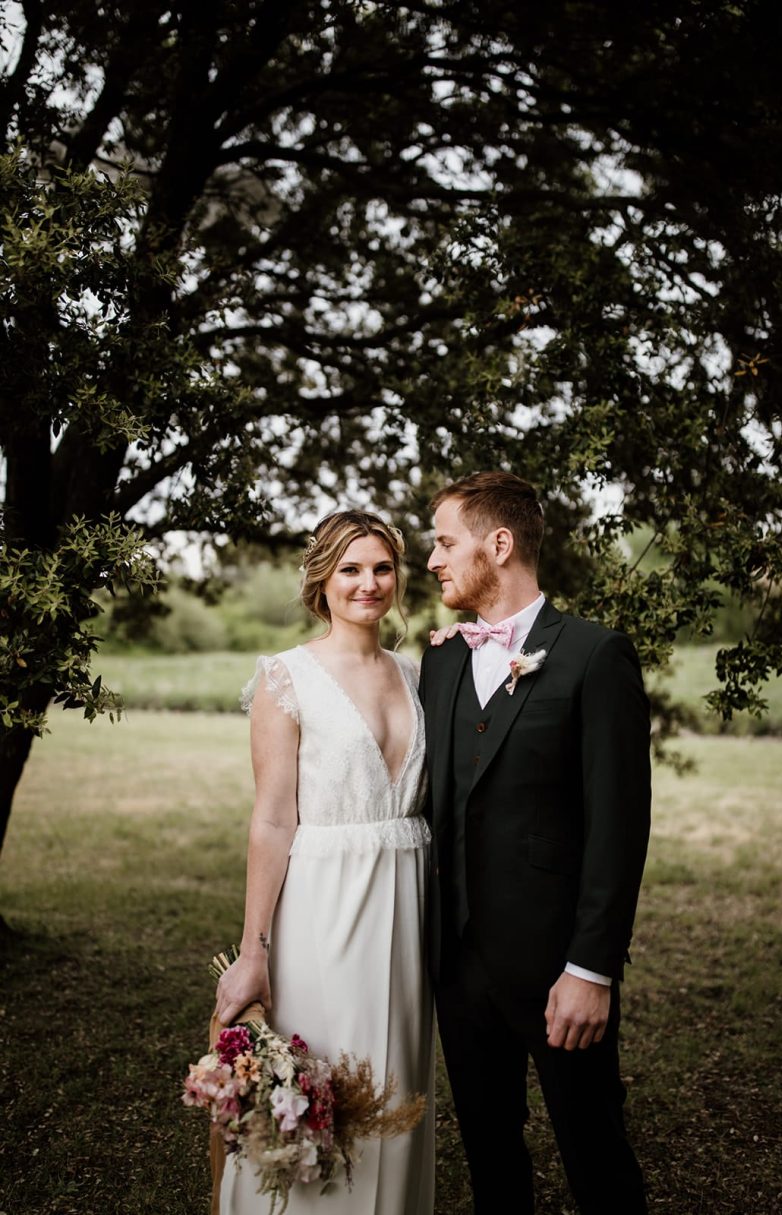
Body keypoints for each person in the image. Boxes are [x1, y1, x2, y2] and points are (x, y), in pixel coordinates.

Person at [419, 471, 650, 1215]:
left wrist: (592, 967)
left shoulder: (593, 654)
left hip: (559, 972)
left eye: (444, 541)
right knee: (491, 1160)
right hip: (458, 966)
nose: (432, 560)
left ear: (500, 542)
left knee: (597, 1158)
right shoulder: (443, 659)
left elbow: (620, 825)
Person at [214, 510, 434, 1215]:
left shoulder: (421, 673)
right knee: (320, 1090)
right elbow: (273, 819)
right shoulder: (288, 677)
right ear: (321, 579)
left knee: (394, 1089)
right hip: (323, 906)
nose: (368, 583)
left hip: (407, 906)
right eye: (350, 568)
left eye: (381, 567)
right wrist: (254, 950)